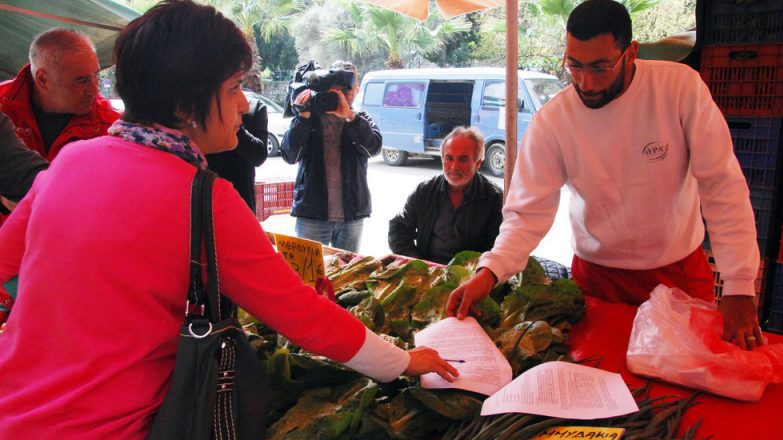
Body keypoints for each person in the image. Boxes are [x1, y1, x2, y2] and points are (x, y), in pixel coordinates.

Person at [0, 1, 456, 437]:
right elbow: (304, 316)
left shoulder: (70, 160)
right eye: (235, 87)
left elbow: (6, 264)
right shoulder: (202, 196)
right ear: (184, 105)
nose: (243, 105)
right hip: (107, 427)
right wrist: (403, 361)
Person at [446, 0, 763, 351]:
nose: (586, 83)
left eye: (600, 67)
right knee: (600, 380)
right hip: (596, 278)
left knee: (678, 386)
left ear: (631, 52)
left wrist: (739, 284)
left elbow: (722, 186)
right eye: (574, 66)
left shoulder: (680, 89)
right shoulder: (553, 121)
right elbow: (525, 216)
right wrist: (489, 272)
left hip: (678, 273)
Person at [280, 60, 381, 252]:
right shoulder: (309, 116)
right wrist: (303, 118)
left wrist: (350, 117)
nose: (344, 94)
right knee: (309, 278)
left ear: (357, 88)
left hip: (351, 216)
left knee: (347, 275)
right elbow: (289, 155)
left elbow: (373, 148)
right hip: (312, 215)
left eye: (349, 89)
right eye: (338, 89)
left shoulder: (360, 118)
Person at [0, 27, 119, 161]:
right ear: (43, 79)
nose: (94, 90)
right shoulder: (2, 106)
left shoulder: (111, 126)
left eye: (96, 76)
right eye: (81, 81)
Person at [388, 126, 503, 264]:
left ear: (478, 163)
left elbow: (498, 249)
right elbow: (398, 229)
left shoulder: (494, 198)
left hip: (471, 276)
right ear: (442, 159)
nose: (454, 167)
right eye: (449, 158)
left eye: (463, 159)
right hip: (428, 273)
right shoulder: (425, 191)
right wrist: (417, 263)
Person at [206, 89, 270, 212]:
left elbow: (259, 156)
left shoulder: (254, 107)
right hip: (203, 205)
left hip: (241, 202)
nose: (244, 105)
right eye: (234, 85)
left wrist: (233, 124)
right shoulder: (199, 112)